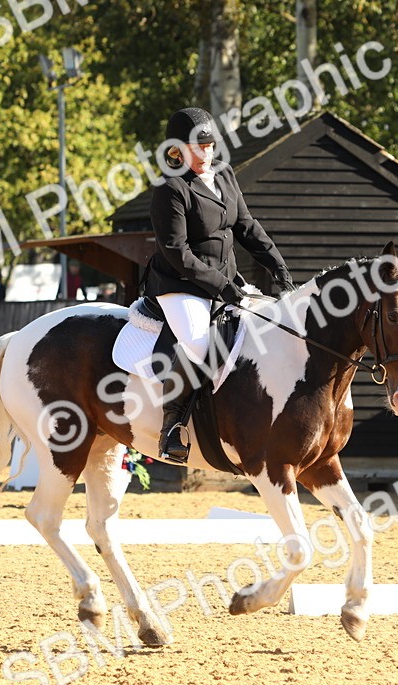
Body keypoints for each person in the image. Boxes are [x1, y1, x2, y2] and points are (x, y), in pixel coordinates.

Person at [145, 106, 295, 464]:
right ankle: (172, 427)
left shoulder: (225, 176)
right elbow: (178, 253)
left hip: (226, 281)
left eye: (209, 145)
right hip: (180, 286)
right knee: (199, 344)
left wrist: (279, 269)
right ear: (177, 150)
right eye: (197, 147)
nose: (205, 153)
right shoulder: (170, 189)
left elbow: (247, 227)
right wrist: (222, 287)